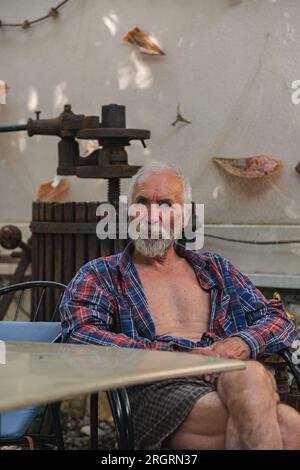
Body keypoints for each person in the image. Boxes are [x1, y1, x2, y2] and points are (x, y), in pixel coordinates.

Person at [60, 161, 300, 450]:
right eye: (142, 203)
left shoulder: (215, 268)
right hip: (155, 389)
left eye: (165, 204)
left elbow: (278, 319)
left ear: (184, 216)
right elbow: (81, 337)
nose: (151, 216)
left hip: (226, 375)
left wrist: (238, 344)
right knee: (288, 425)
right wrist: (183, 360)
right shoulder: (101, 275)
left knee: (249, 376)